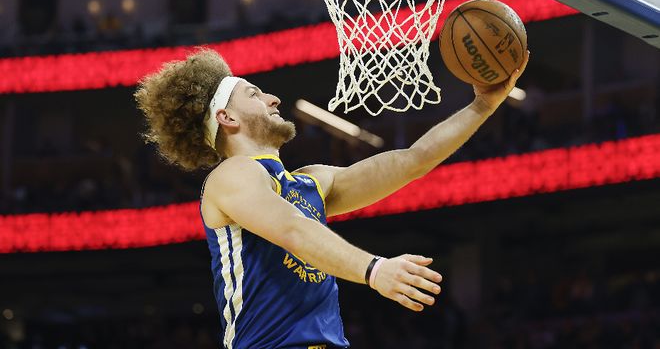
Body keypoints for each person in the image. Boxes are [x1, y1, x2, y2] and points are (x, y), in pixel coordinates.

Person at [135, 48, 529, 349]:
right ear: (227, 118)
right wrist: (374, 269)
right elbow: (292, 230)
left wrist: (483, 106)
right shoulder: (231, 176)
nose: (273, 98)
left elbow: (413, 160)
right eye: (255, 94)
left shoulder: (312, 182)